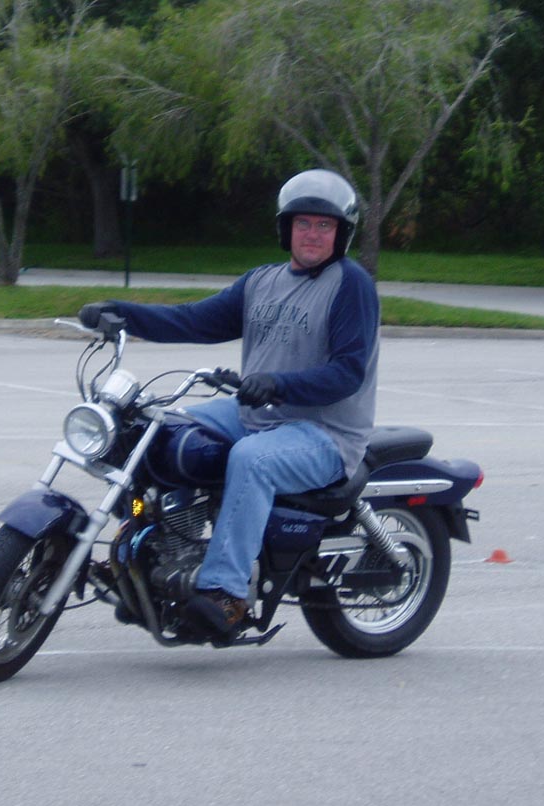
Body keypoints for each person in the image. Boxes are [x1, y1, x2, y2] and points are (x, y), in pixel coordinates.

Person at [78, 169, 379, 640]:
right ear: (286, 228)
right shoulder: (262, 281)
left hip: (325, 433)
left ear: (342, 233)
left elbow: (347, 373)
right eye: (303, 223)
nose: (313, 234)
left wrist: (277, 384)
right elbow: (194, 321)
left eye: (325, 225)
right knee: (157, 431)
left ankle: (228, 595)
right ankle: (144, 548)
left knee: (251, 460)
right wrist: (121, 314)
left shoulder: (350, 284)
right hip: (256, 414)